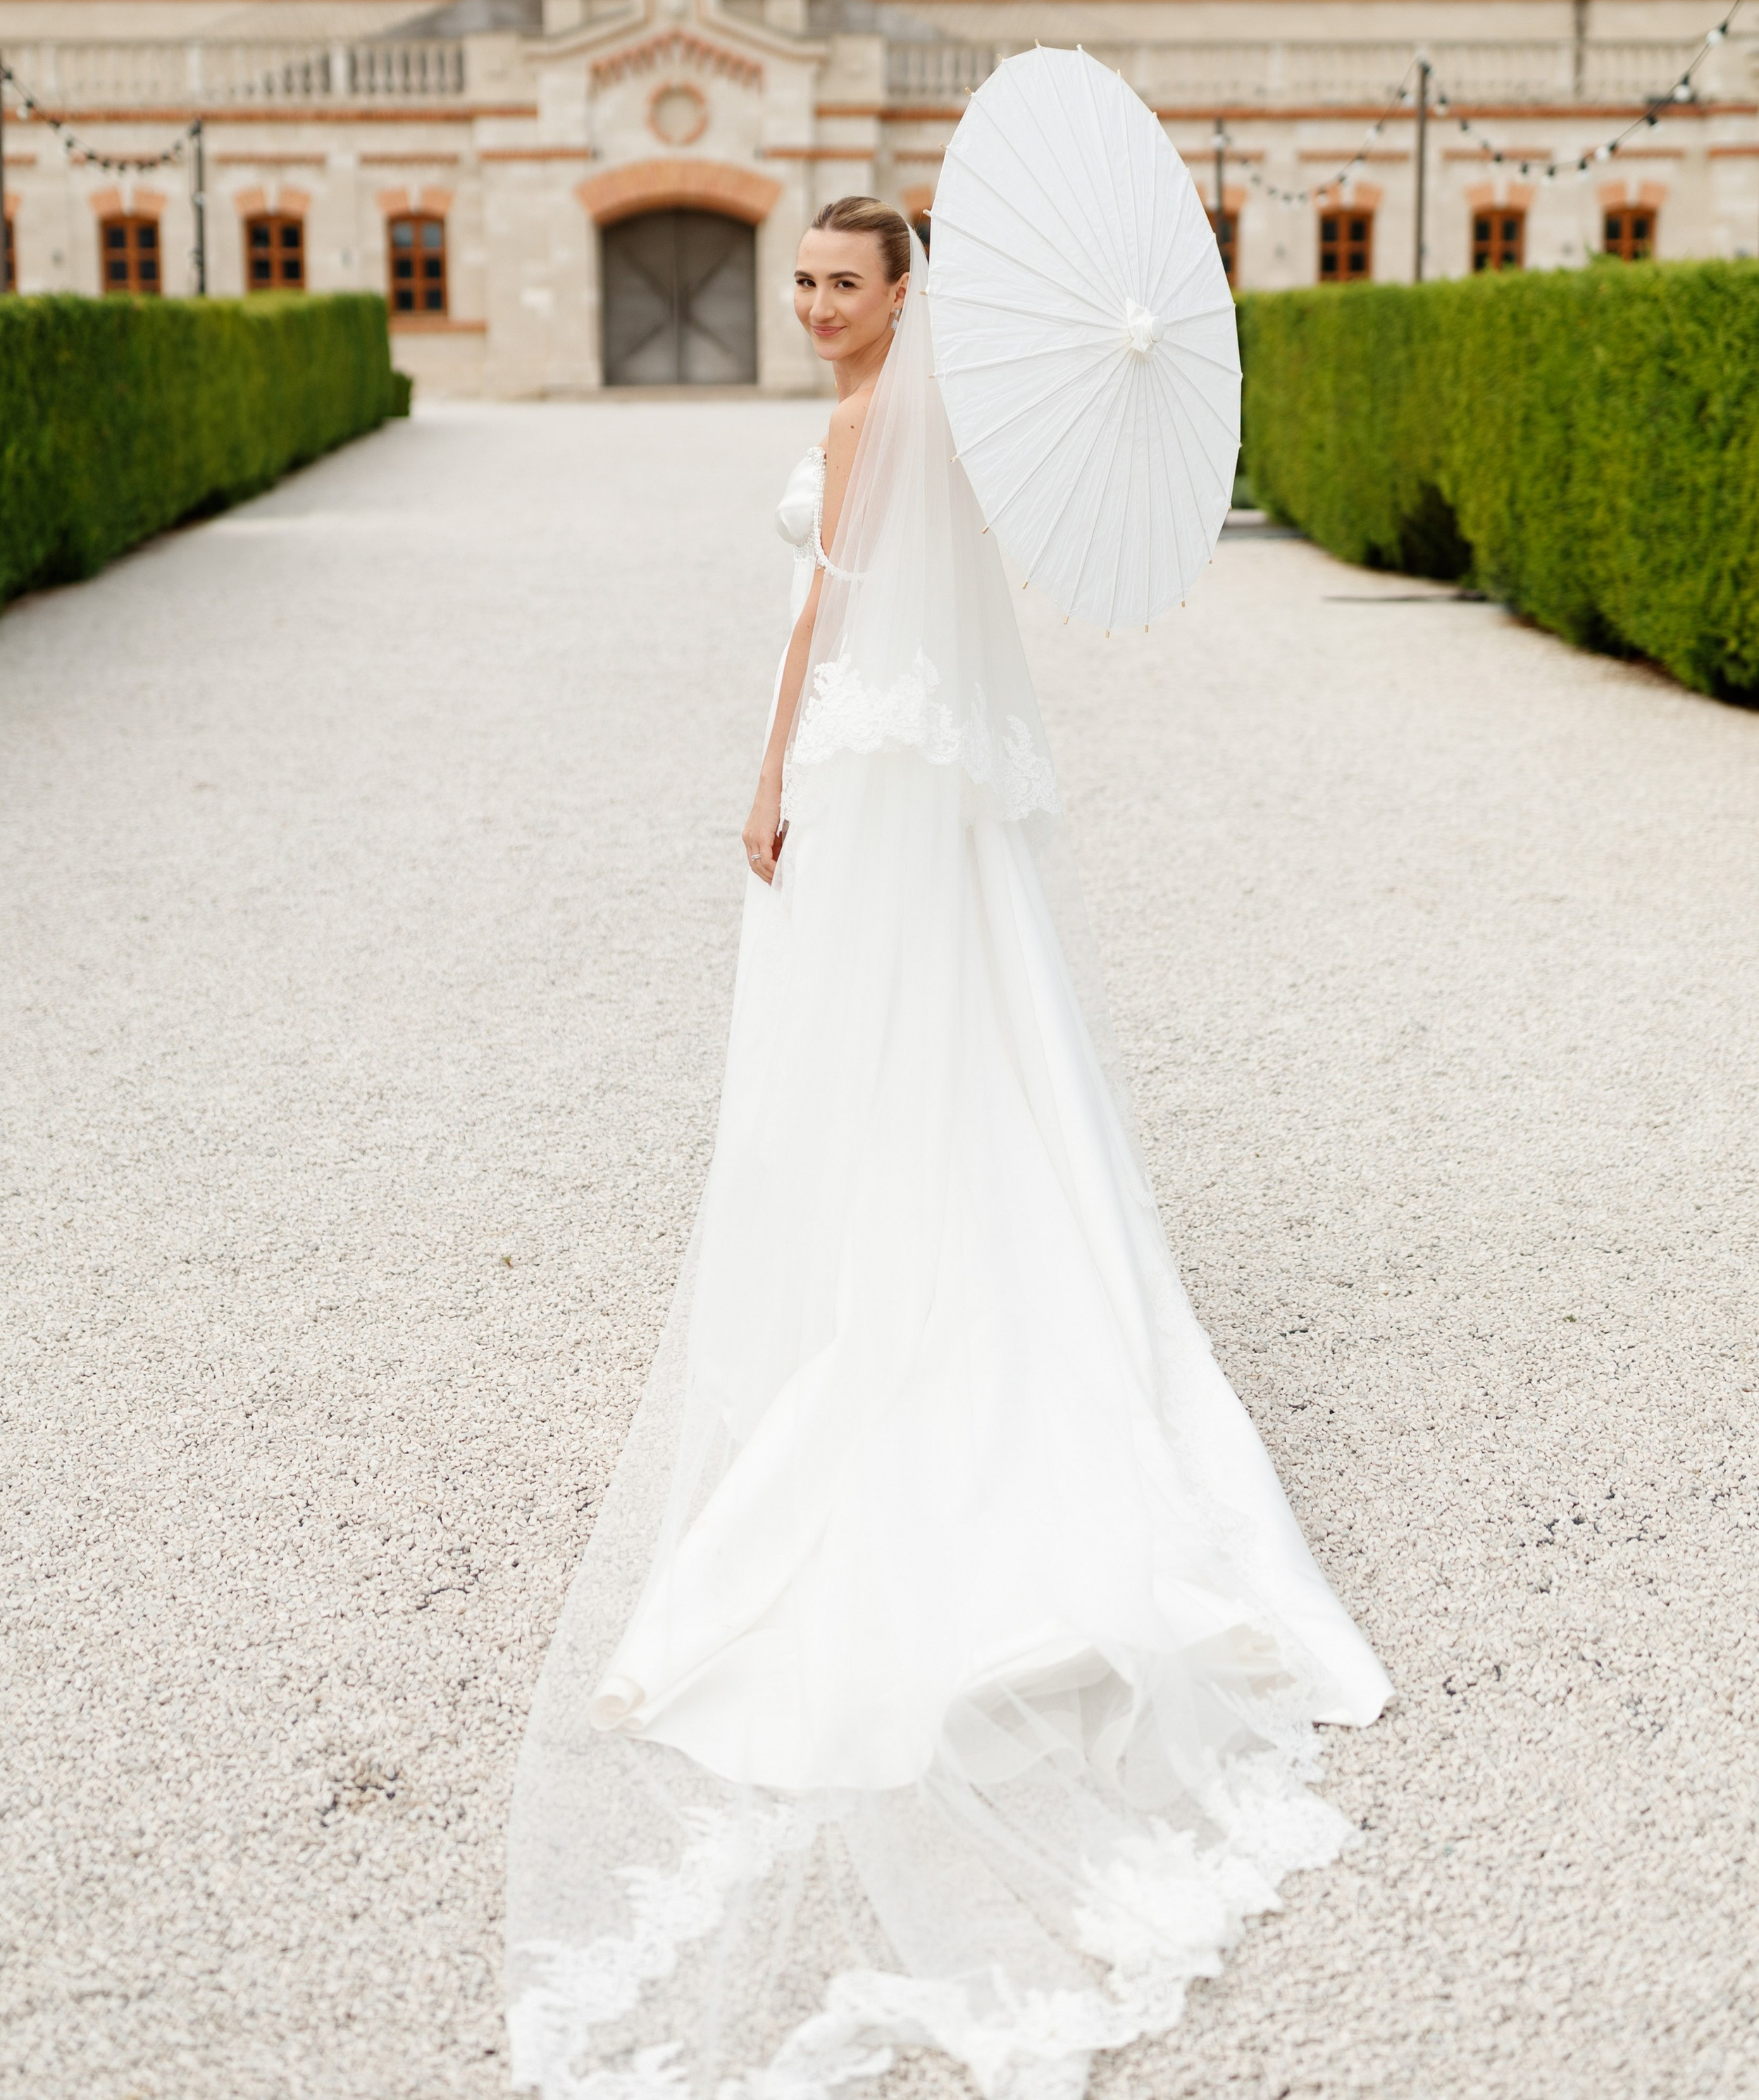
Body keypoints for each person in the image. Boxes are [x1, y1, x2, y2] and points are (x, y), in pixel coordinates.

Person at [506, 197, 1390, 2100]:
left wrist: (758, 790)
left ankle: (884, 1320)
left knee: (855, 1072)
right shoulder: (968, 428)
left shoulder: (854, 426)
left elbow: (821, 622)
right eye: (803, 283)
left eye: (843, 284)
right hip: (951, 801)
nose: (817, 308)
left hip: (857, 781)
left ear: (904, 295)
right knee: (979, 1061)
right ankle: (961, 1286)